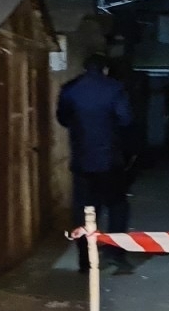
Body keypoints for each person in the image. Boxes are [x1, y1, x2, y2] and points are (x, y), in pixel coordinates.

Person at [57, 53, 134, 273]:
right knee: (117, 206)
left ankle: (85, 259)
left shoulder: (70, 89)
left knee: (83, 210)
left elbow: (62, 118)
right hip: (110, 161)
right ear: (105, 69)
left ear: (84, 68)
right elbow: (126, 119)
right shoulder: (115, 89)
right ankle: (115, 254)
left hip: (82, 160)